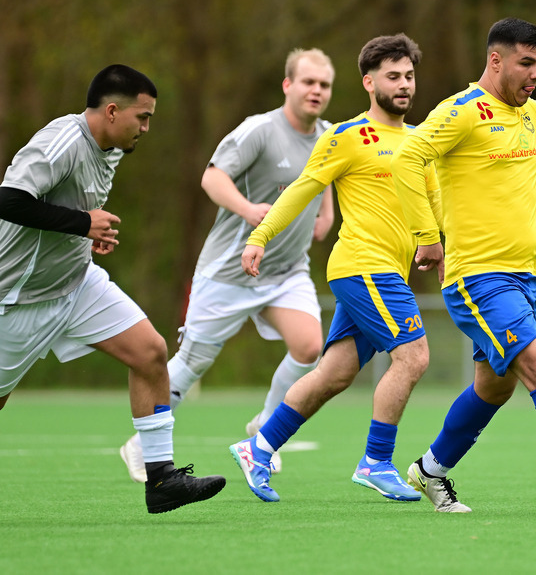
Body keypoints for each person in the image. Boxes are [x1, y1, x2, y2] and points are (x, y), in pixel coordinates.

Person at [391, 17, 536, 513]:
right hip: (478, 278)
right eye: (527, 63)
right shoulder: (462, 112)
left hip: (525, 280)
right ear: (495, 60)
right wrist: (426, 237)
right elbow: (408, 158)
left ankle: (429, 472)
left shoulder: (529, 115)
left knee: (494, 387)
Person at [0, 64, 226, 513]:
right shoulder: (62, 141)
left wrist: (88, 234)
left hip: (76, 283)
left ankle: (161, 480)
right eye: (142, 117)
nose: (146, 127)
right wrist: (83, 224)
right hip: (18, 297)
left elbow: (70, 211)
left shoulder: (114, 147)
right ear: (110, 111)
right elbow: (8, 200)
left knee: (150, 352)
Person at [228, 33, 441, 503]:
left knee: (334, 374)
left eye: (409, 76)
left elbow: (436, 204)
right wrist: (260, 236)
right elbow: (302, 189)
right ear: (369, 82)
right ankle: (376, 462)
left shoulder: (419, 141)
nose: (404, 84)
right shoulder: (346, 136)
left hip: (388, 271)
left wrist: (442, 246)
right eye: (393, 76)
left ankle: (258, 446)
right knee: (414, 356)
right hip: (363, 267)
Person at [119, 48, 336, 482]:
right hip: (229, 271)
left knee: (311, 347)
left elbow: (323, 175)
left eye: (325, 85)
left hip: (286, 272)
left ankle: (266, 428)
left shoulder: (330, 135)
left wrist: (326, 211)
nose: (317, 91)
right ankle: (141, 444)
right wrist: (248, 209)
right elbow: (211, 177)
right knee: (193, 361)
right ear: (288, 85)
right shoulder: (259, 130)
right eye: (308, 82)